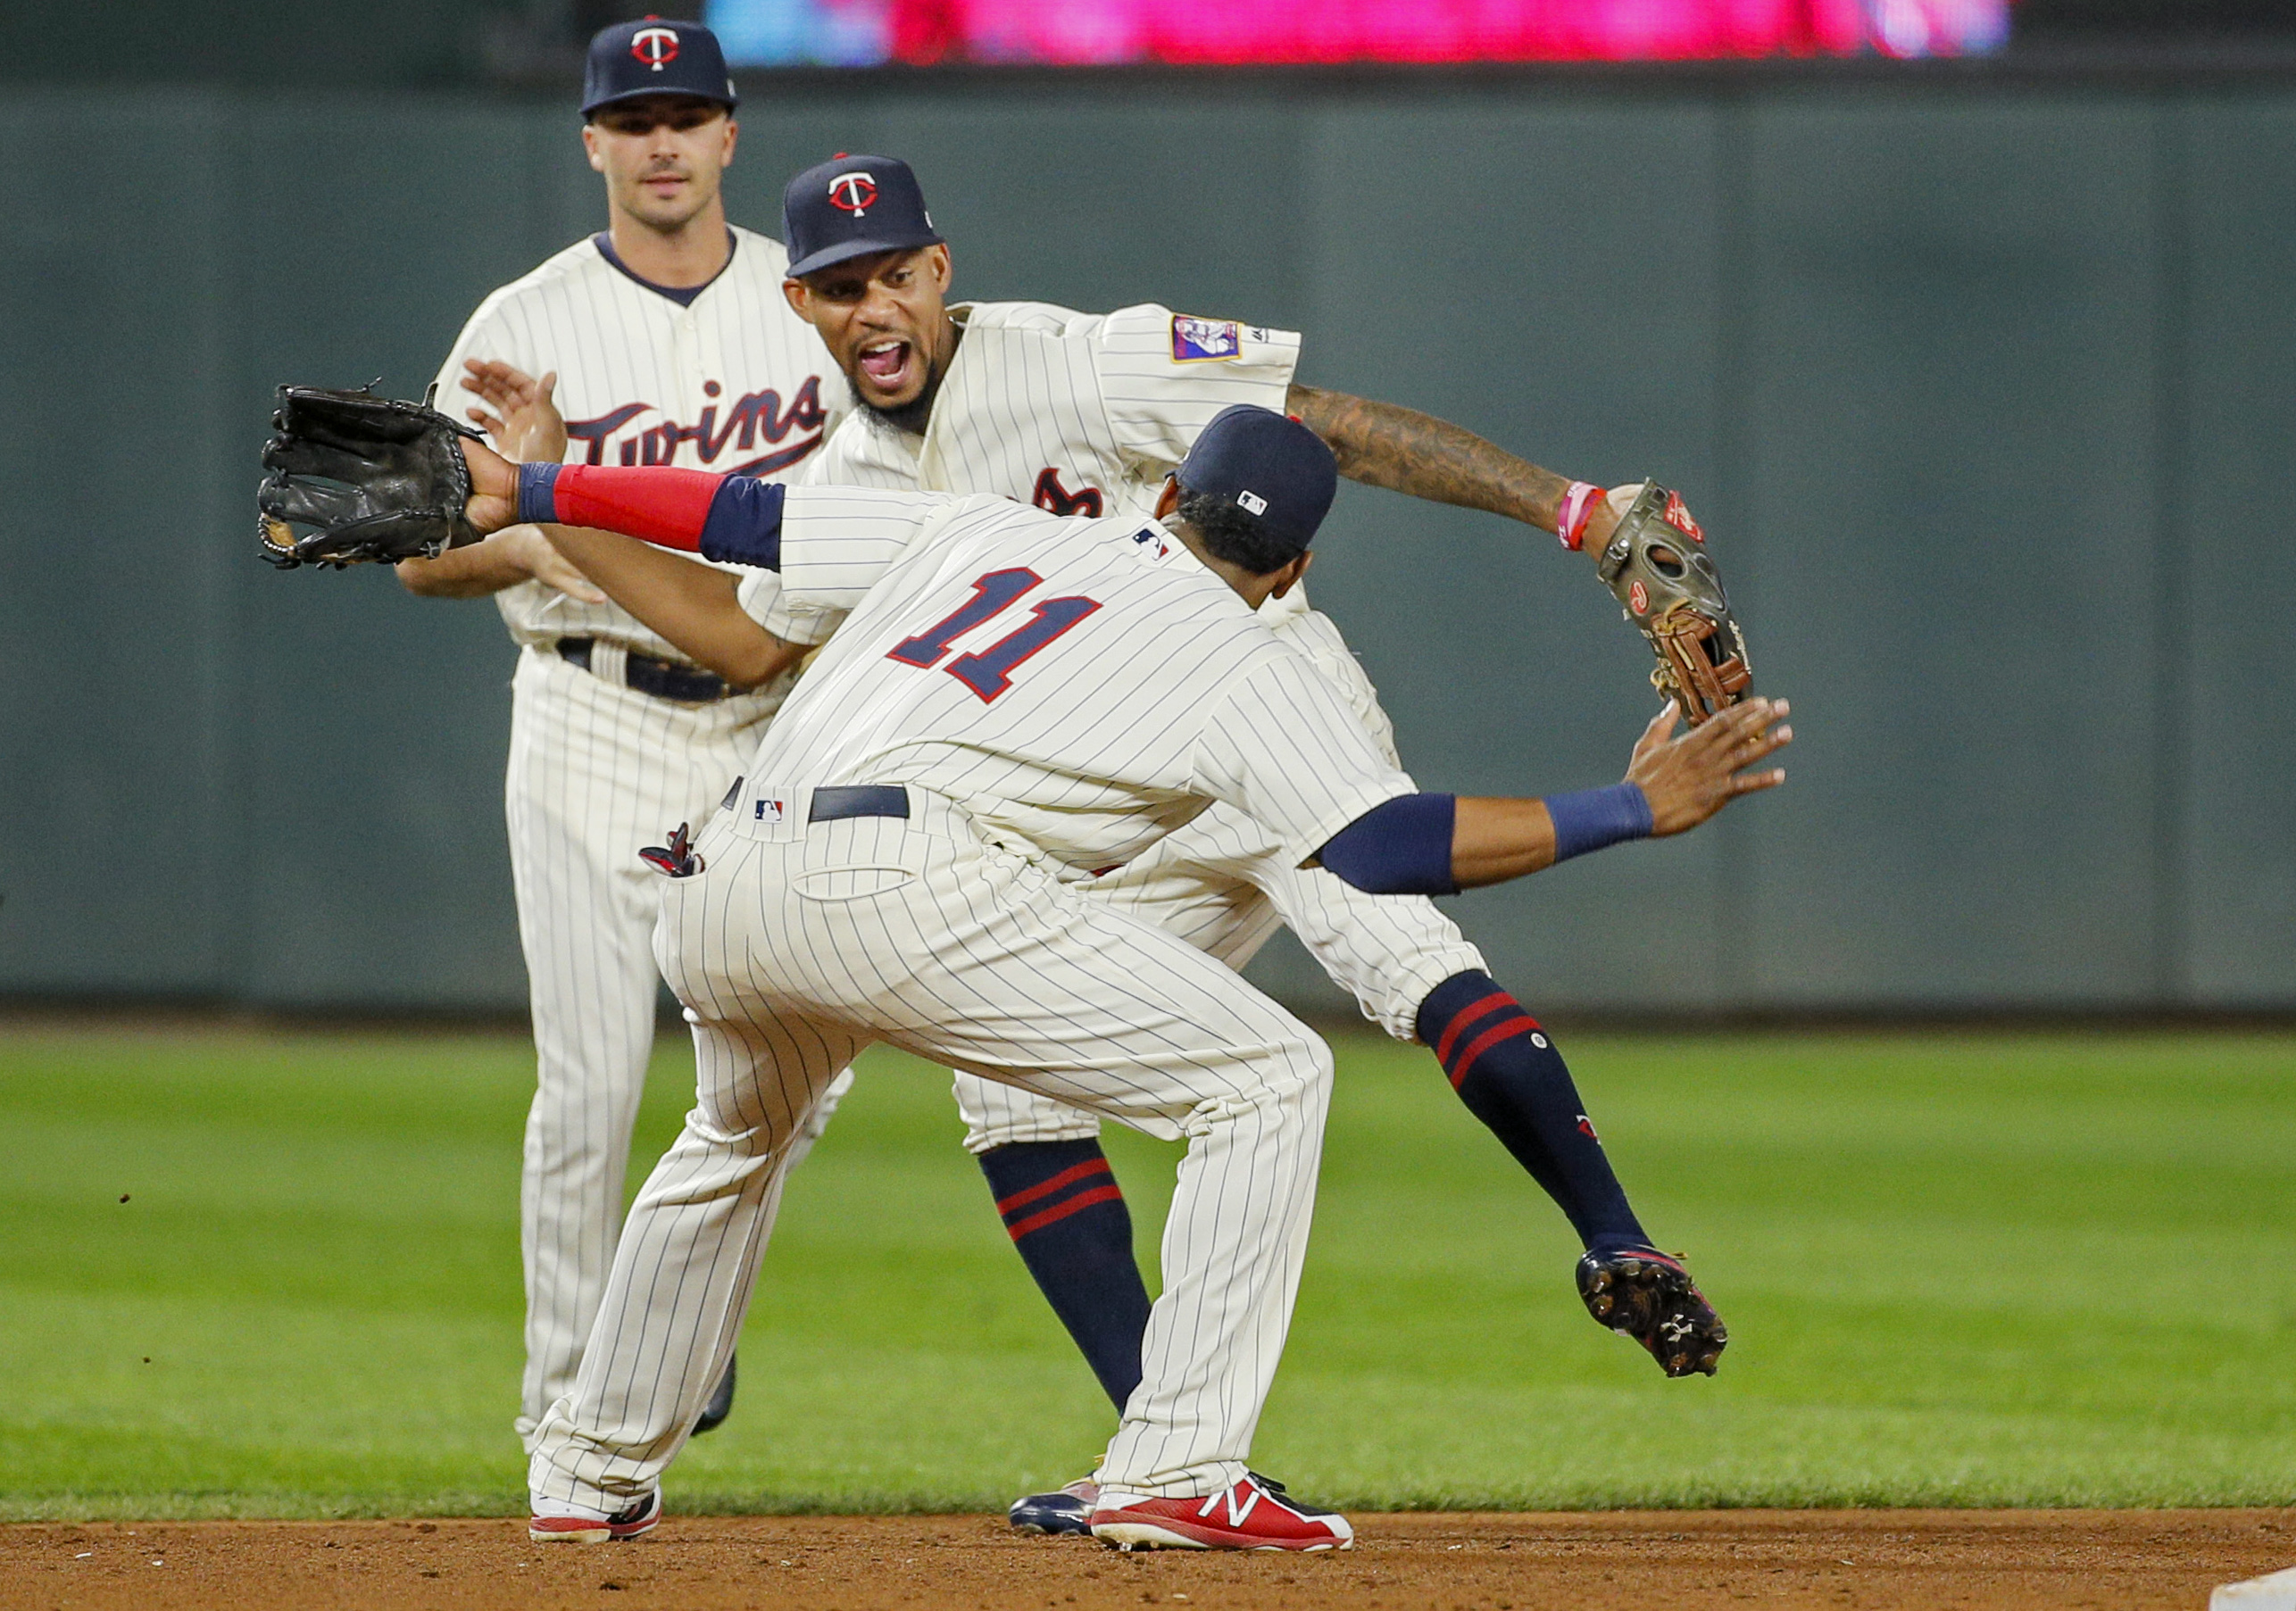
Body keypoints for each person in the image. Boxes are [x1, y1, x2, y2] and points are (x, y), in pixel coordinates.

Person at [460, 149, 1740, 1534]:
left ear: (1168, 490)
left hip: (735, 862)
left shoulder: (974, 519)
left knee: (733, 1133)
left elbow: (736, 516)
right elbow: (1379, 844)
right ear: (1294, 566)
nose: (872, 301)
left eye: (892, 271)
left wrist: (536, 493)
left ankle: (586, 1472)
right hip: (920, 874)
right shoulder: (1238, 655)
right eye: (839, 284)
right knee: (1268, 1073)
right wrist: (1632, 807)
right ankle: (1179, 1465)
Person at [394, 17, 846, 1452]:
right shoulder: (520, 323)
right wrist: (529, 533)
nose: (660, 141)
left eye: (685, 114)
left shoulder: (814, 305)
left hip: (780, 726)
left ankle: (678, 1322)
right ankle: (561, 1421)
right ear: (590, 142)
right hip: (589, 715)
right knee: (590, 1089)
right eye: (631, 118)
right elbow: (419, 551)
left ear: (729, 135)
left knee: (790, 1081)